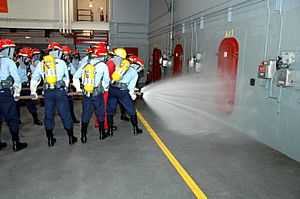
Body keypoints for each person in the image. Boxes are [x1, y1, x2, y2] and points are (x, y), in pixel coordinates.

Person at [30, 42, 77, 147]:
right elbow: (67, 78)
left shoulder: (42, 63)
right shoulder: (62, 63)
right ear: (59, 52)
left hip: (48, 92)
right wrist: (64, 87)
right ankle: (71, 138)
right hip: (60, 91)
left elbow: (34, 79)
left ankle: (50, 139)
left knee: (49, 115)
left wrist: (33, 91)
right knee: (65, 113)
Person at [73, 43, 110, 143]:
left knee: (85, 113)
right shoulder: (103, 66)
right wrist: (105, 88)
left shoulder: (85, 63)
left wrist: (78, 89)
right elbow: (107, 80)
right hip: (97, 93)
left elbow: (75, 77)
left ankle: (83, 136)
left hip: (86, 93)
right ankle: (102, 133)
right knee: (100, 112)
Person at [0, 39, 28, 152]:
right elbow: (17, 80)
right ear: (8, 50)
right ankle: (16, 144)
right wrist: (16, 93)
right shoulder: (9, 62)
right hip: (5, 94)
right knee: (12, 119)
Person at [106, 58, 143, 137]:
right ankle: (136, 129)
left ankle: (109, 131)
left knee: (110, 111)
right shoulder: (134, 73)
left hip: (112, 89)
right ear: (138, 66)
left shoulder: (121, 67)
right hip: (122, 91)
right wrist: (133, 95)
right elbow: (130, 88)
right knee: (132, 110)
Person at [15, 47, 43, 126]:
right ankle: (17, 120)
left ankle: (35, 119)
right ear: (22, 58)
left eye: (29, 58)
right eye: (27, 58)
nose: (29, 60)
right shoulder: (15, 66)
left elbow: (37, 74)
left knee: (31, 104)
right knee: (15, 105)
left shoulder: (29, 66)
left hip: (26, 87)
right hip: (17, 88)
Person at [62, 45, 80, 124]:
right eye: (66, 55)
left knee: (69, 104)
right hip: (58, 88)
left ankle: (72, 119)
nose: (67, 57)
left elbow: (74, 73)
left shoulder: (68, 63)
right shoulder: (54, 63)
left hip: (65, 87)